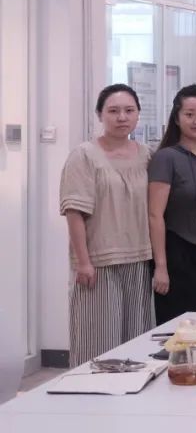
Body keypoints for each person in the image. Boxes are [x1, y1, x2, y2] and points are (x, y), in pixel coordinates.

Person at [59, 84, 153, 366]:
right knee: (98, 345)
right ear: (100, 115)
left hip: (139, 259)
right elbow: (74, 211)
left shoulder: (147, 155)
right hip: (99, 262)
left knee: (136, 346)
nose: (122, 117)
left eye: (129, 110)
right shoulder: (84, 155)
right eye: (113, 111)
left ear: (138, 114)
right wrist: (83, 262)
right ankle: (90, 394)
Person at [148, 84, 196, 325]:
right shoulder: (166, 157)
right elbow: (154, 215)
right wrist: (161, 266)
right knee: (180, 328)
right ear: (177, 118)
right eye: (189, 114)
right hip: (178, 254)